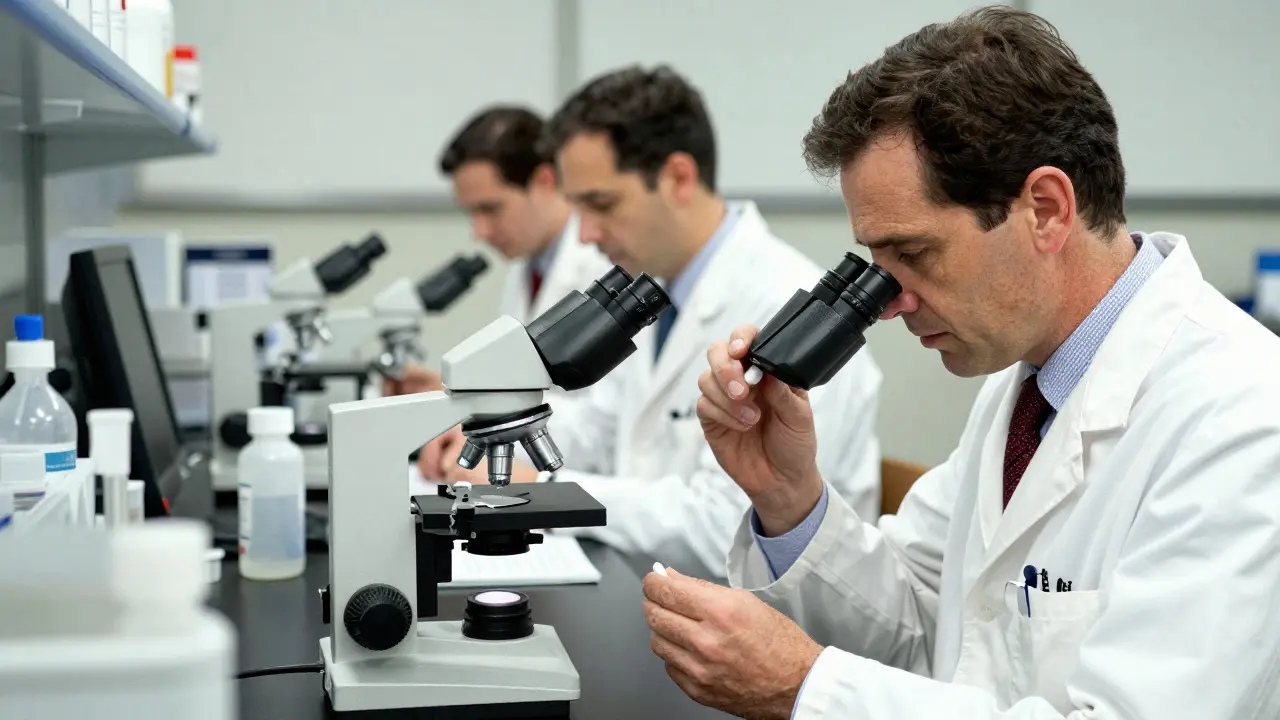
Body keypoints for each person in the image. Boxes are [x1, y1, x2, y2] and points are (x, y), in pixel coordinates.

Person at [641, 6, 1280, 719]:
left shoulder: (1243, 418)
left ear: (1045, 209)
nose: (886, 303)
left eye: (912, 255)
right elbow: (919, 623)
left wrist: (805, 689)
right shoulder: (1030, 388)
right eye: (874, 265)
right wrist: (789, 499)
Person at [421, 66, 884, 578]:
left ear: (678, 177)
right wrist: (489, 434)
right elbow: (600, 425)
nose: (586, 234)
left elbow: (723, 526)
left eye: (601, 204)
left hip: (765, 619)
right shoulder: (661, 287)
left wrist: (543, 489)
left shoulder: (787, 309)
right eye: (577, 209)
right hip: (650, 589)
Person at [384, 105, 612, 400]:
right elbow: (523, 386)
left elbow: (601, 417)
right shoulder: (528, 264)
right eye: (472, 213)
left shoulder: (604, 263)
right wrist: (452, 395)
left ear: (544, 180)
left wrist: (479, 406)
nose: (479, 232)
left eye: (490, 209)